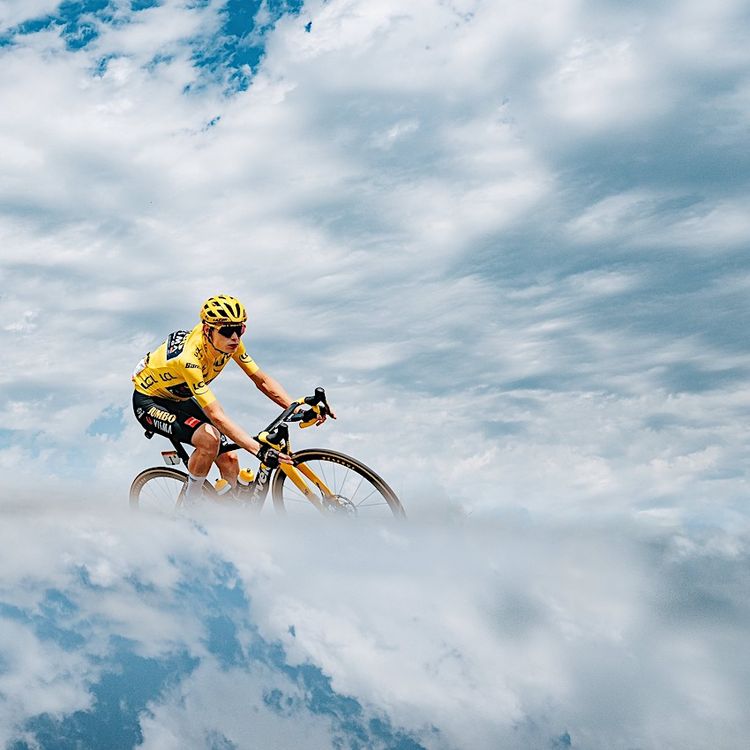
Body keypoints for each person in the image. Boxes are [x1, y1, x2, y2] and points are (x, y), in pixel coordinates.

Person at [131, 294, 333, 502]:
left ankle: (229, 517)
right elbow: (216, 416)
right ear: (208, 330)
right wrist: (258, 450)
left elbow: (261, 380)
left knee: (229, 458)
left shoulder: (229, 344)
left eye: (240, 329)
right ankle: (187, 508)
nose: (235, 337)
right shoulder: (189, 359)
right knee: (209, 440)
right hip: (150, 401)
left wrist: (297, 407)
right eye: (227, 331)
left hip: (179, 398)